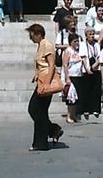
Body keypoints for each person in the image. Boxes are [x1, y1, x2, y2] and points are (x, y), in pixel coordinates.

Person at [25, 23, 63, 151]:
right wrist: (36, 75)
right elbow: (41, 64)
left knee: (34, 109)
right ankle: (48, 134)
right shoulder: (41, 45)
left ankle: (50, 133)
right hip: (41, 80)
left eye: (32, 35)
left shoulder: (47, 44)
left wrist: (47, 82)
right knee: (40, 111)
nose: (31, 38)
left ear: (38, 34)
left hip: (46, 81)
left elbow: (51, 65)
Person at [78, 27, 101, 118]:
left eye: (92, 34)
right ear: (86, 36)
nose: (92, 36)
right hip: (86, 69)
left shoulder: (96, 45)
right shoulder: (83, 44)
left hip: (96, 68)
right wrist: (87, 69)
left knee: (96, 89)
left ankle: (95, 109)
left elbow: (99, 56)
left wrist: (96, 64)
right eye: (90, 34)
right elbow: (83, 57)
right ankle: (86, 109)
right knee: (86, 90)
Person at [62, 33, 84, 123]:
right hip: (71, 75)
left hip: (78, 75)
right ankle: (69, 115)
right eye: (75, 41)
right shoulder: (68, 51)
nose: (76, 43)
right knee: (71, 97)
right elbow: (65, 64)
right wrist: (67, 77)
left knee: (76, 97)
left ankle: (74, 115)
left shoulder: (79, 51)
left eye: (77, 41)